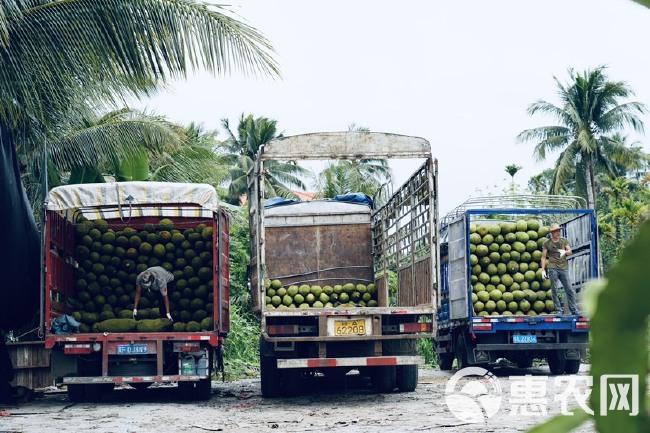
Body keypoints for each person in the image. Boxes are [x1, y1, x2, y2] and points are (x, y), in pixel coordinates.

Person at [540, 223, 580, 316]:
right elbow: (543, 257)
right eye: (555, 231)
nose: (558, 232)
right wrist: (543, 270)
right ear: (552, 233)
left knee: (569, 289)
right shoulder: (546, 243)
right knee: (554, 289)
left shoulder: (564, 241)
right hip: (553, 268)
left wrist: (565, 252)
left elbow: (570, 252)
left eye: (558, 231)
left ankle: (574, 310)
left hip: (563, 269)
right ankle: (558, 310)